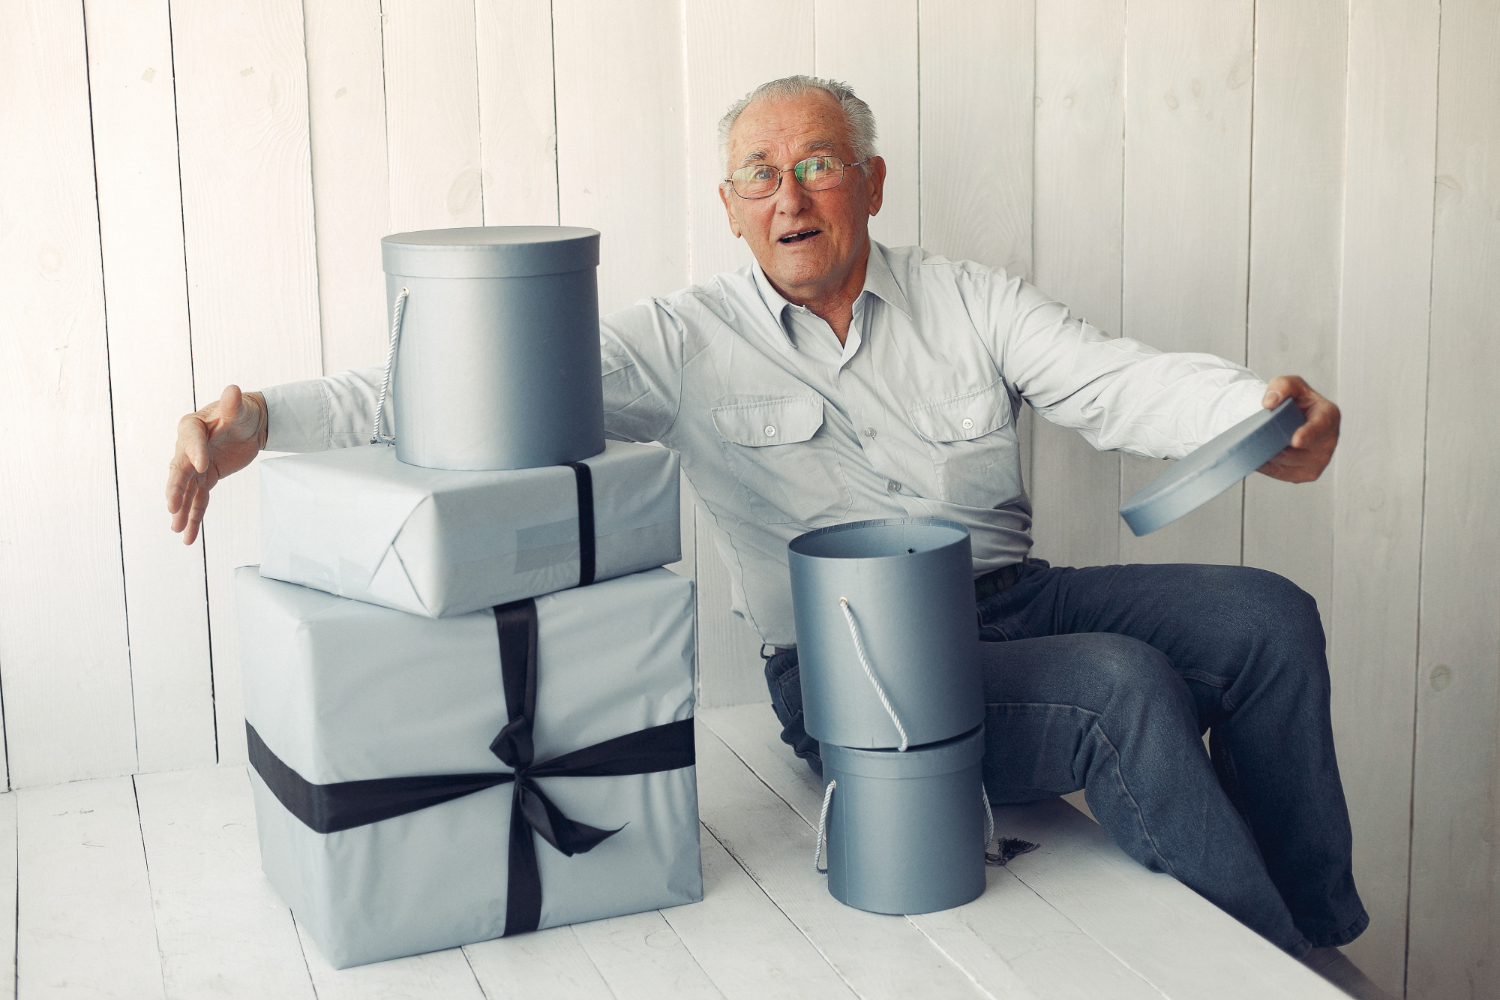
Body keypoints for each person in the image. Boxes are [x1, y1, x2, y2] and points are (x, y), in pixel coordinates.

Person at [167, 76, 1369, 970]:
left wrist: (1259, 415)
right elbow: (463, 381)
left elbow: (1116, 380)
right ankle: (1269, 973)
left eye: (819, 163)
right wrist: (261, 419)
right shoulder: (680, 341)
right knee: (1122, 686)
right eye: (759, 174)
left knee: (1268, 617)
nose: (788, 194)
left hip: (1016, 601)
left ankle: (1322, 935)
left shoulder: (971, 300)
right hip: (855, 676)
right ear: (733, 209)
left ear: (872, 183)